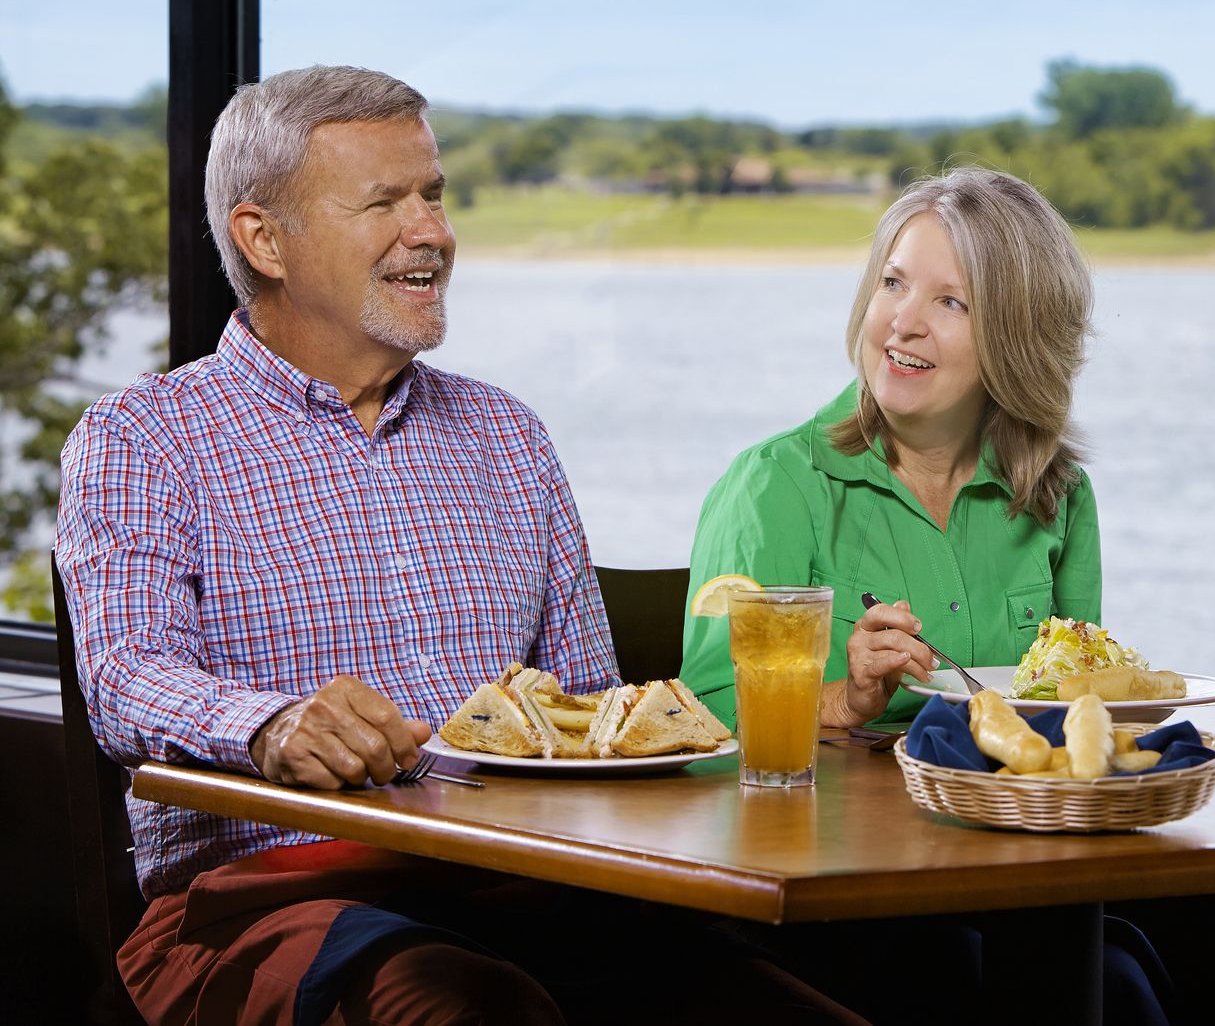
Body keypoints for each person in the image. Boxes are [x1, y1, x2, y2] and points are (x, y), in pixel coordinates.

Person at [55, 65, 856, 1024]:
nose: (430, 230)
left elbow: (591, 713)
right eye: (383, 202)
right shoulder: (144, 437)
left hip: (529, 883)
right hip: (267, 905)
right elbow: (124, 676)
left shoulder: (507, 434)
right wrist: (272, 725)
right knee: (462, 1007)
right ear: (264, 238)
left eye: (432, 194)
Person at [680, 165, 1100, 733]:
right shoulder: (773, 486)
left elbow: (1086, 698)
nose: (903, 322)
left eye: (952, 302)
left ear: (1018, 337)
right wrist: (847, 702)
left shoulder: (1060, 491)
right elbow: (709, 712)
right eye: (892, 282)